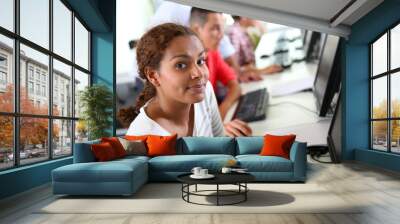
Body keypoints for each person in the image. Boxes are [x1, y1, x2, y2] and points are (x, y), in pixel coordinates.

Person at [122, 23, 252, 137]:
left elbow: (220, 148)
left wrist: (236, 142)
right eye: (181, 65)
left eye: (200, 61)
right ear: (153, 76)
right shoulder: (141, 136)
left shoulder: (205, 91)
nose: (199, 73)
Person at [189, 7, 245, 120]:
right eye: (215, 28)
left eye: (221, 28)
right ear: (196, 29)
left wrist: (222, 111)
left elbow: (235, 86)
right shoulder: (185, 65)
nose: (221, 35)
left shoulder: (213, 53)